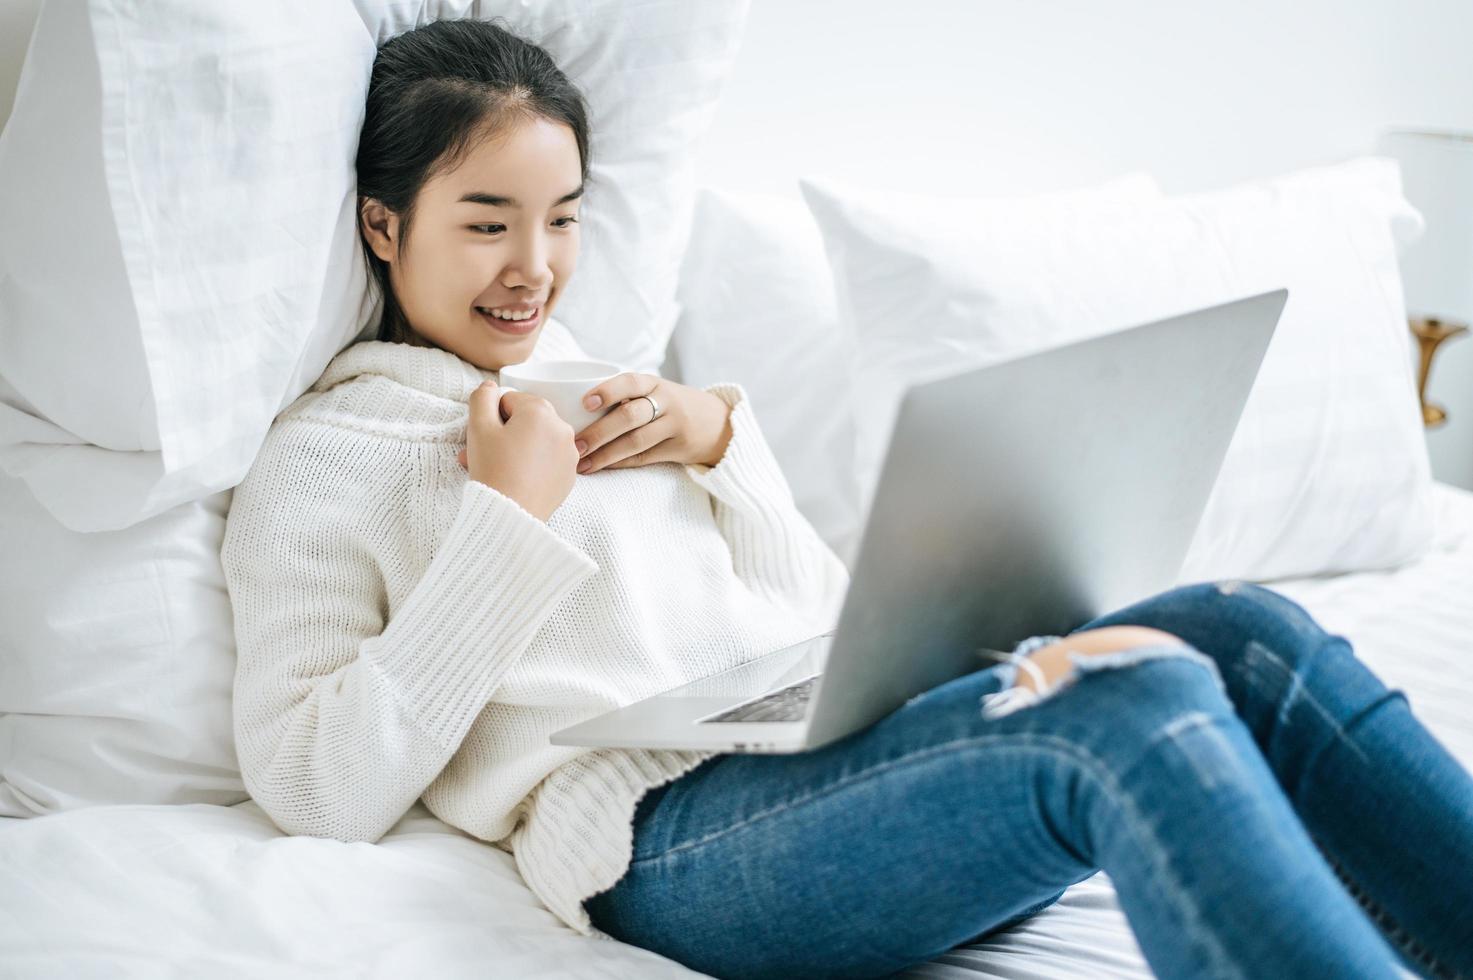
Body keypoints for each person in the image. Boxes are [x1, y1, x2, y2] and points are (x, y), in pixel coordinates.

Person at [218, 17, 1473, 980]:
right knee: (1135, 699)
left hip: (828, 752)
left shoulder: (613, 391)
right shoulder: (327, 456)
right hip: (664, 840)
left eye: (562, 219)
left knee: (1243, 630)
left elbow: (823, 624)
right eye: (487, 222)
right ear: (385, 227)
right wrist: (506, 525)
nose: (533, 267)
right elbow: (316, 785)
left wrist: (724, 448)